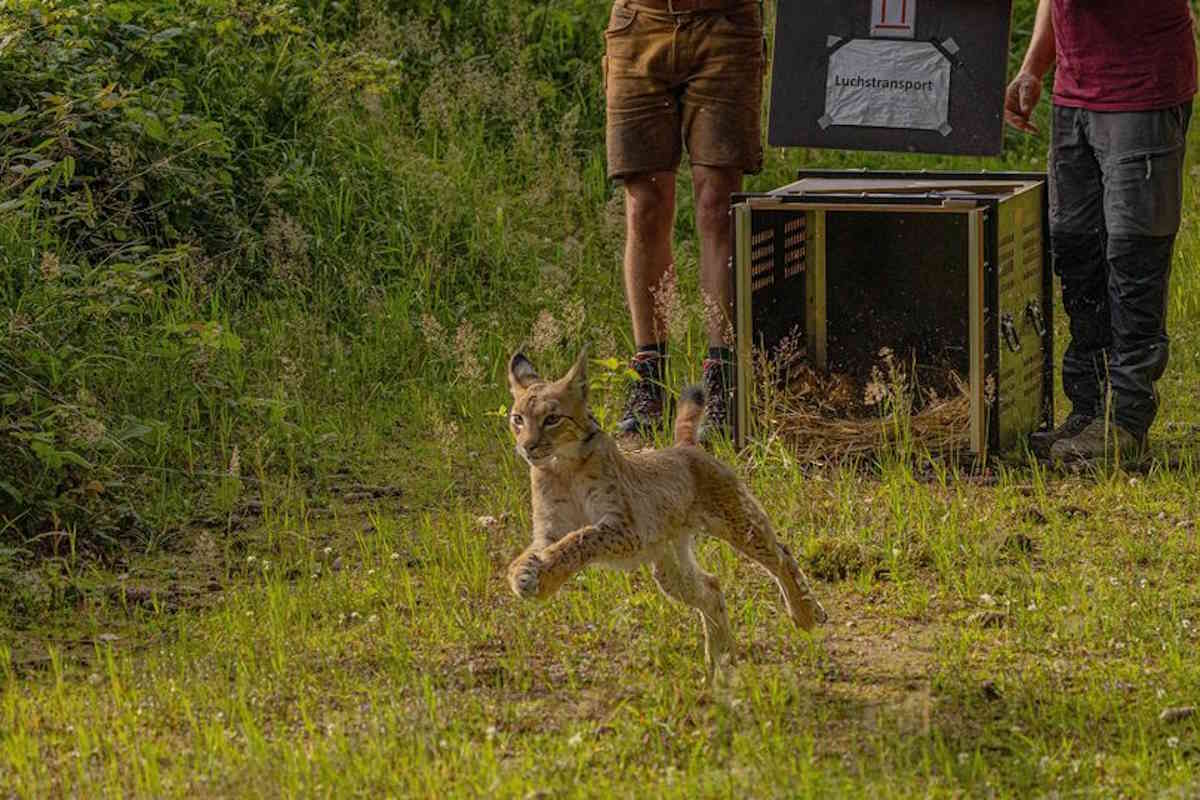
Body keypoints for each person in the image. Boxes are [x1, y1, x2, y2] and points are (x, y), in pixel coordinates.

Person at [1006, 0, 1195, 462]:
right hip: (1074, 96)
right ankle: (1088, 409)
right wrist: (1033, 67)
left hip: (1141, 91)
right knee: (1077, 252)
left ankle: (1126, 422)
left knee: (1133, 258)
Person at [603, 0, 766, 440]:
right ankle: (648, 380)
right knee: (645, 205)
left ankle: (722, 378)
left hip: (725, 22)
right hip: (641, 21)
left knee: (717, 203)